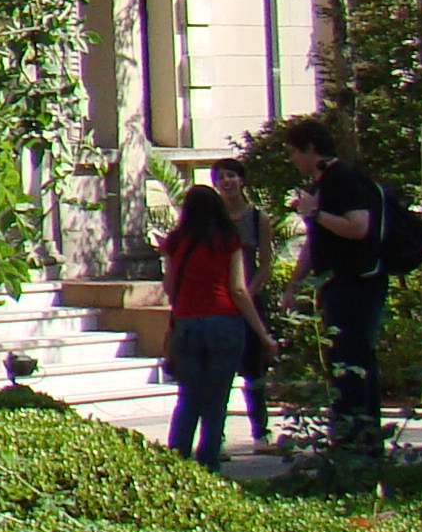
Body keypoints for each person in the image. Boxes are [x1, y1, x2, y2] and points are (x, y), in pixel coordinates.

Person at [284, 115, 387, 454]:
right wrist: (294, 285)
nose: (292, 161)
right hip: (337, 287)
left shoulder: (343, 179)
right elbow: (316, 244)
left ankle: (356, 441)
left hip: (356, 287)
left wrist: (315, 214)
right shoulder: (324, 185)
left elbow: (358, 227)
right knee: (345, 361)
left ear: (311, 149)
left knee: (352, 362)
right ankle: (353, 438)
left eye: (294, 153)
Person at [159, 181, 271, 469]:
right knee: (216, 400)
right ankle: (209, 464)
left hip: (187, 323)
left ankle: (177, 462)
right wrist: (263, 333)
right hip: (224, 322)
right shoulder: (228, 241)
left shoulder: (176, 242)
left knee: (188, 398)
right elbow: (238, 290)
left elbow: (170, 287)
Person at [209, 157, 278, 452]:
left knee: (254, 370)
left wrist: (249, 293)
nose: (227, 182)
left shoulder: (257, 218)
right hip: (219, 303)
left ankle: (261, 433)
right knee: (220, 372)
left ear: (242, 180)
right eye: (221, 177)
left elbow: (266, 262)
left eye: (232, 176)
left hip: (250, 301)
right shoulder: (211, 219)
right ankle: (217, 437)